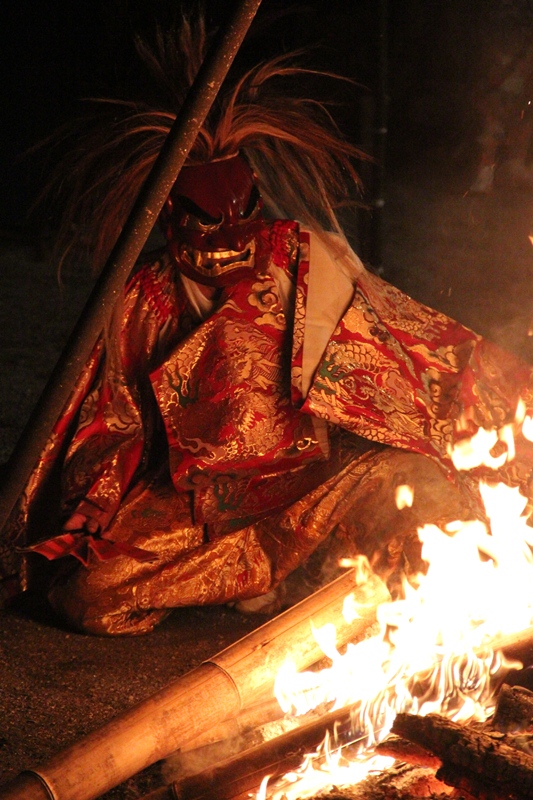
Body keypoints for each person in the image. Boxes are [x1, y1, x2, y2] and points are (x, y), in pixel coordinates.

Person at [2, 18, 533, 636]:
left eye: (244, 212)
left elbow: (407, 342)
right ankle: (254, 577)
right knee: (91, 597)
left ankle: (342, 587)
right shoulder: (142, 296)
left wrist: (508, 395)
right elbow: (110, 421)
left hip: (309, 481)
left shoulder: (306, 256)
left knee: (407, 478)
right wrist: (91, 512)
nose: (231, 236)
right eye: (209, 221)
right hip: (200, 504)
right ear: (171, 214)